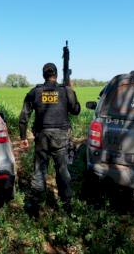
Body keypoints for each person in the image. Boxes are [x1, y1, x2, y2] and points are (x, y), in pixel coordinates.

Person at [19, 63, 80, 217]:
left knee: (39, 171)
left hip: (42, 137)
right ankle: (67, 207)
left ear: (43, 75)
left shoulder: (35, 92)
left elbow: (23, 117)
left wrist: (23, 138)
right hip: (61, 136)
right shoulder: (65, 91)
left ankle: (34, 209)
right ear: (56, 75)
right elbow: (76, 110)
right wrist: (71, 90)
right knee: (62, 170)